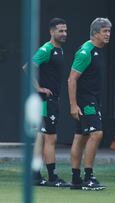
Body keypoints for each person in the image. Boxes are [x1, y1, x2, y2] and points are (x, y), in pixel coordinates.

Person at [67, 17, 112, 190]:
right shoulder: (86, 52)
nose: (108, 34)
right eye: (104, 31)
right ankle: (88, 177)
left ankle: (76, 179)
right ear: (95, 34)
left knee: (81, 136)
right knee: (97, 134)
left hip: (92, 99)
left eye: (108, 31)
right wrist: (73, 105)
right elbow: (71, 79)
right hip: (86, 100)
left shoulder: (98, 50)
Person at [31, 18, 69, 187]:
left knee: (42, 137)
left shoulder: (59, 50)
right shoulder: (46, 49)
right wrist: (38, 88)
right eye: (60, 31)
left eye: (65, 31)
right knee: (50, 138)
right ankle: (52, 177)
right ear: (52, 32)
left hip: (52, 100)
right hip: (46, 101)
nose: (64, 34)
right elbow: (28, 67)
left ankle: (36, 176)